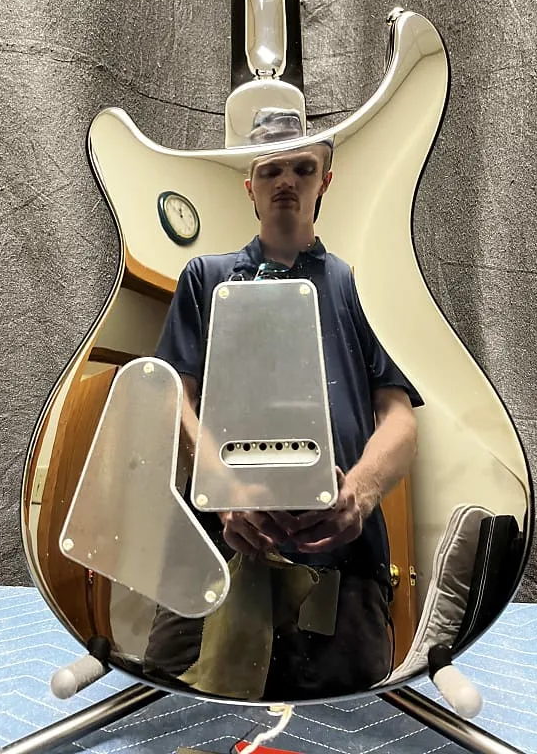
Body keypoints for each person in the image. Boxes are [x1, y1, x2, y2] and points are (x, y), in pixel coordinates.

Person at [145, 112, 423, 700]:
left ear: (326, 181)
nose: (287, 181)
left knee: (346, 723)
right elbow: (173, 398)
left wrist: (361, 493)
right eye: (271, 170)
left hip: (344, 564)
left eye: (303, 167)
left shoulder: (360, 286)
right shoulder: (205, 278)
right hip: (213, 548)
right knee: (171, 707)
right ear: (250, 187)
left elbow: (399, 416)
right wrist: (223, 490)